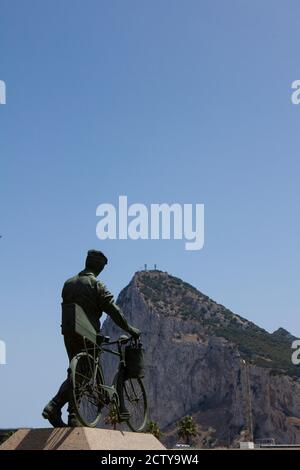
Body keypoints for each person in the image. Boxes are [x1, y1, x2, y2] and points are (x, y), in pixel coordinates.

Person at [42, 249, 140, 427]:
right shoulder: (96, 285)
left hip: (69, 332)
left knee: (76, 372)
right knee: (84, 374)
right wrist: (129, 328)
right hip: (88, 334)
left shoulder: (68, 283)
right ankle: (54, 405)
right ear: (100, 266)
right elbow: (113, 310)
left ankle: (73, 415)